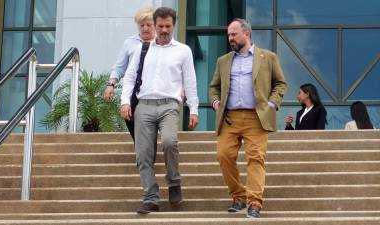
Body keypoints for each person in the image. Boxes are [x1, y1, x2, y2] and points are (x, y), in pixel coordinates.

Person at [120, 7, 199, 214]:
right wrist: (125, 102)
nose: (164, 30)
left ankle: (174, 182)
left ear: (173, 25)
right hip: (144, 105)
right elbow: (129, 77)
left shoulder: (183, 51)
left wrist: (194, 109)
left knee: (169, 142)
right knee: (143, 154)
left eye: (168, 26)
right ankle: (150, 198)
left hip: (169, 105)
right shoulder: (142, 49)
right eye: (160, 26)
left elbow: (190, 82)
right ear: (154, 25)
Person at [209, 18, 287, 218]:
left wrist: (271, 104)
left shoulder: (267, 57)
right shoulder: (223, 60)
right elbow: (214, 86)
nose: (230, 38)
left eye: (233, 34)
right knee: (223, 155)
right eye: (228, 35)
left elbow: (280, 83)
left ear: (247, 33)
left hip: (257, 117)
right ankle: (238, 196)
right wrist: (215, 101)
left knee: (255, 159)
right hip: (230, 118)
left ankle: (254, 202)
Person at [103, 7, 155, 140]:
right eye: (141, 25)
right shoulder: (130, 43)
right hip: (134, 89)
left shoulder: (161, 43)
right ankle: (141, 147)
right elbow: (120, 67)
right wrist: (111, 85)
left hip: (154, 90)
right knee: (129, 117)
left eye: (149, 25)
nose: (145, 28)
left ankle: (145, 148)